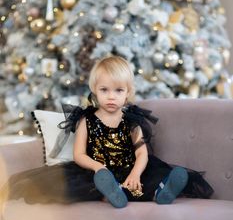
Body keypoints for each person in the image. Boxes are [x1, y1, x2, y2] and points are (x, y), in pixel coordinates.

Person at [3, 55, 213, 207]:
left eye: (118, 90)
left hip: (129, 168)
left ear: (128, 93)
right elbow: (79, 154)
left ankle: (160, 191)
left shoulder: (131, 121)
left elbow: (142, 153)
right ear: (95, 90)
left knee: (149, 178)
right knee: (78, 184)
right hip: (98, 171)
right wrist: (98, 168)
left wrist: (135, 173)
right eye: (105, 90)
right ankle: (110, 192)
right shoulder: (87, 119)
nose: (111, 97)